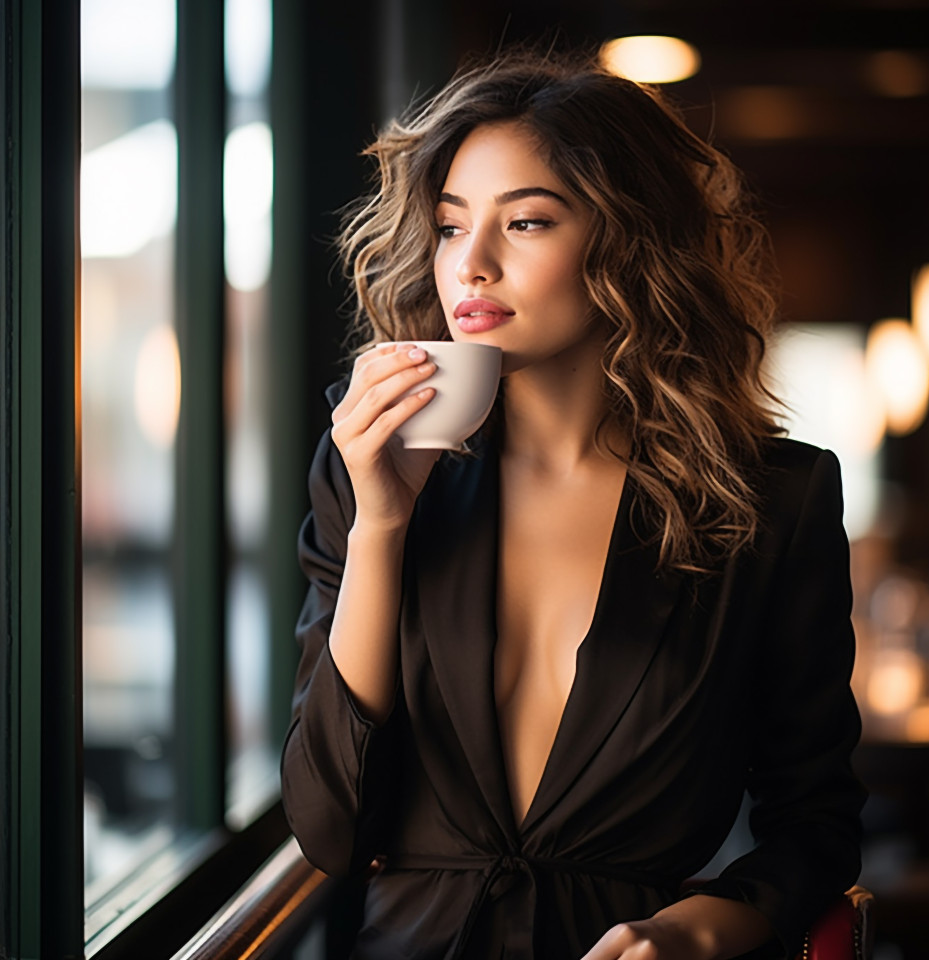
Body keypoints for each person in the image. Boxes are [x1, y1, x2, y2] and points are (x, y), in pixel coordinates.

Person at [281, 48, 866, 960]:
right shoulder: (366, 466)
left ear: (627, 242)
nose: (470, 265)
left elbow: (816, 822)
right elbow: (330, 828)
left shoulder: (772, 501)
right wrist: (382, 524)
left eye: (527, 222)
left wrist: (705, 928)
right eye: (447, 226)